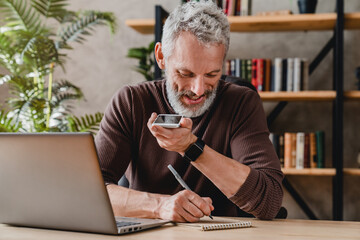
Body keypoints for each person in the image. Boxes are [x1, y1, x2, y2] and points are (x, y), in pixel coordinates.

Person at [95, 1, 283, 222]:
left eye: (212, 75)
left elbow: (269, 201)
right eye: (186, 73)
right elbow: (89, 192)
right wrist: (160, 207)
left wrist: (191, 148)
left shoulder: (241, 102)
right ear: (161, 56)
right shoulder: (131, 102)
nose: (199, 90)